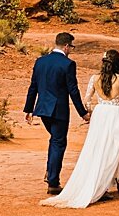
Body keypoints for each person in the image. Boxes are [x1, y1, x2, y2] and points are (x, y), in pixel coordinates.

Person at [44, 48, 119, 209]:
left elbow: (87, 99)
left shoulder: (94, 78)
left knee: (98, 149)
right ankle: (109, 183)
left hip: (100, 115)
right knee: (115, 149)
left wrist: (89, 113)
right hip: (115, 114)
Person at [23, 31, 89, 195]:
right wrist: (83, 113)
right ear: (66, 46)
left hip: (42, 109)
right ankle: (53, 181)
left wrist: (29, 109)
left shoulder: (40, 61)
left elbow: (33, 87)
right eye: (71, 47)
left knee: (55, 141)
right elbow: (73, 90)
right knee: (58, 143)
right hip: (58, 111)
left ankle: (50, 171)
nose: (71, 50)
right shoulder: (68, 64)